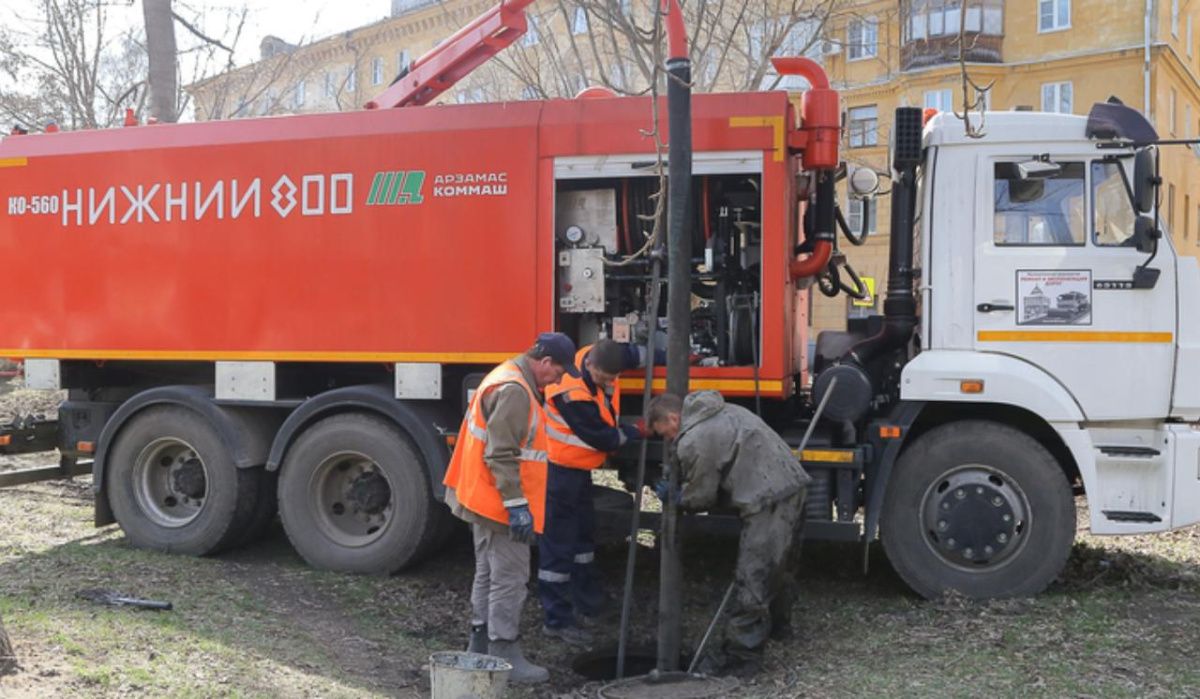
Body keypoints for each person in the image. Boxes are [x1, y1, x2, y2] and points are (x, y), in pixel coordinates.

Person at [442, 332, 580, 685]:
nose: (559, 380)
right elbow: (501, 454)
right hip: (500, 503)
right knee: (510, 578)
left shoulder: (507, 376)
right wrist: (518, 507)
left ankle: (479, 644)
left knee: (488, 572)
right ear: (544, 361)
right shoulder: (515, 391)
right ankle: (503, 652)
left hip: (481, 496)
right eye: (558, 372)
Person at [645, 390, 810, 676]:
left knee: (753, 577)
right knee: (779, 567)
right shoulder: (725, 411)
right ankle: (780, 626)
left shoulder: (695, 439)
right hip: (793, 486)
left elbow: (702, 498)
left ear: (674, 417)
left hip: (766, 499)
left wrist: (676, 497)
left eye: (667, 433)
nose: (669, 439)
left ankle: (742, 657)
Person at [538, 340, 648, 647]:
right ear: (590, 366)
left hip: (577, 472)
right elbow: (603, 438)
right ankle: (556, 619)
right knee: (559, 545)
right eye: (604, 378)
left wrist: (680, 353)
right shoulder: (570, 393)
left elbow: (636, 352)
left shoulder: (601, 355)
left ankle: (587, 600)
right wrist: (636, 431)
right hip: (559, 473)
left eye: (614, 378)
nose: (609, 384)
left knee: (583, 538)